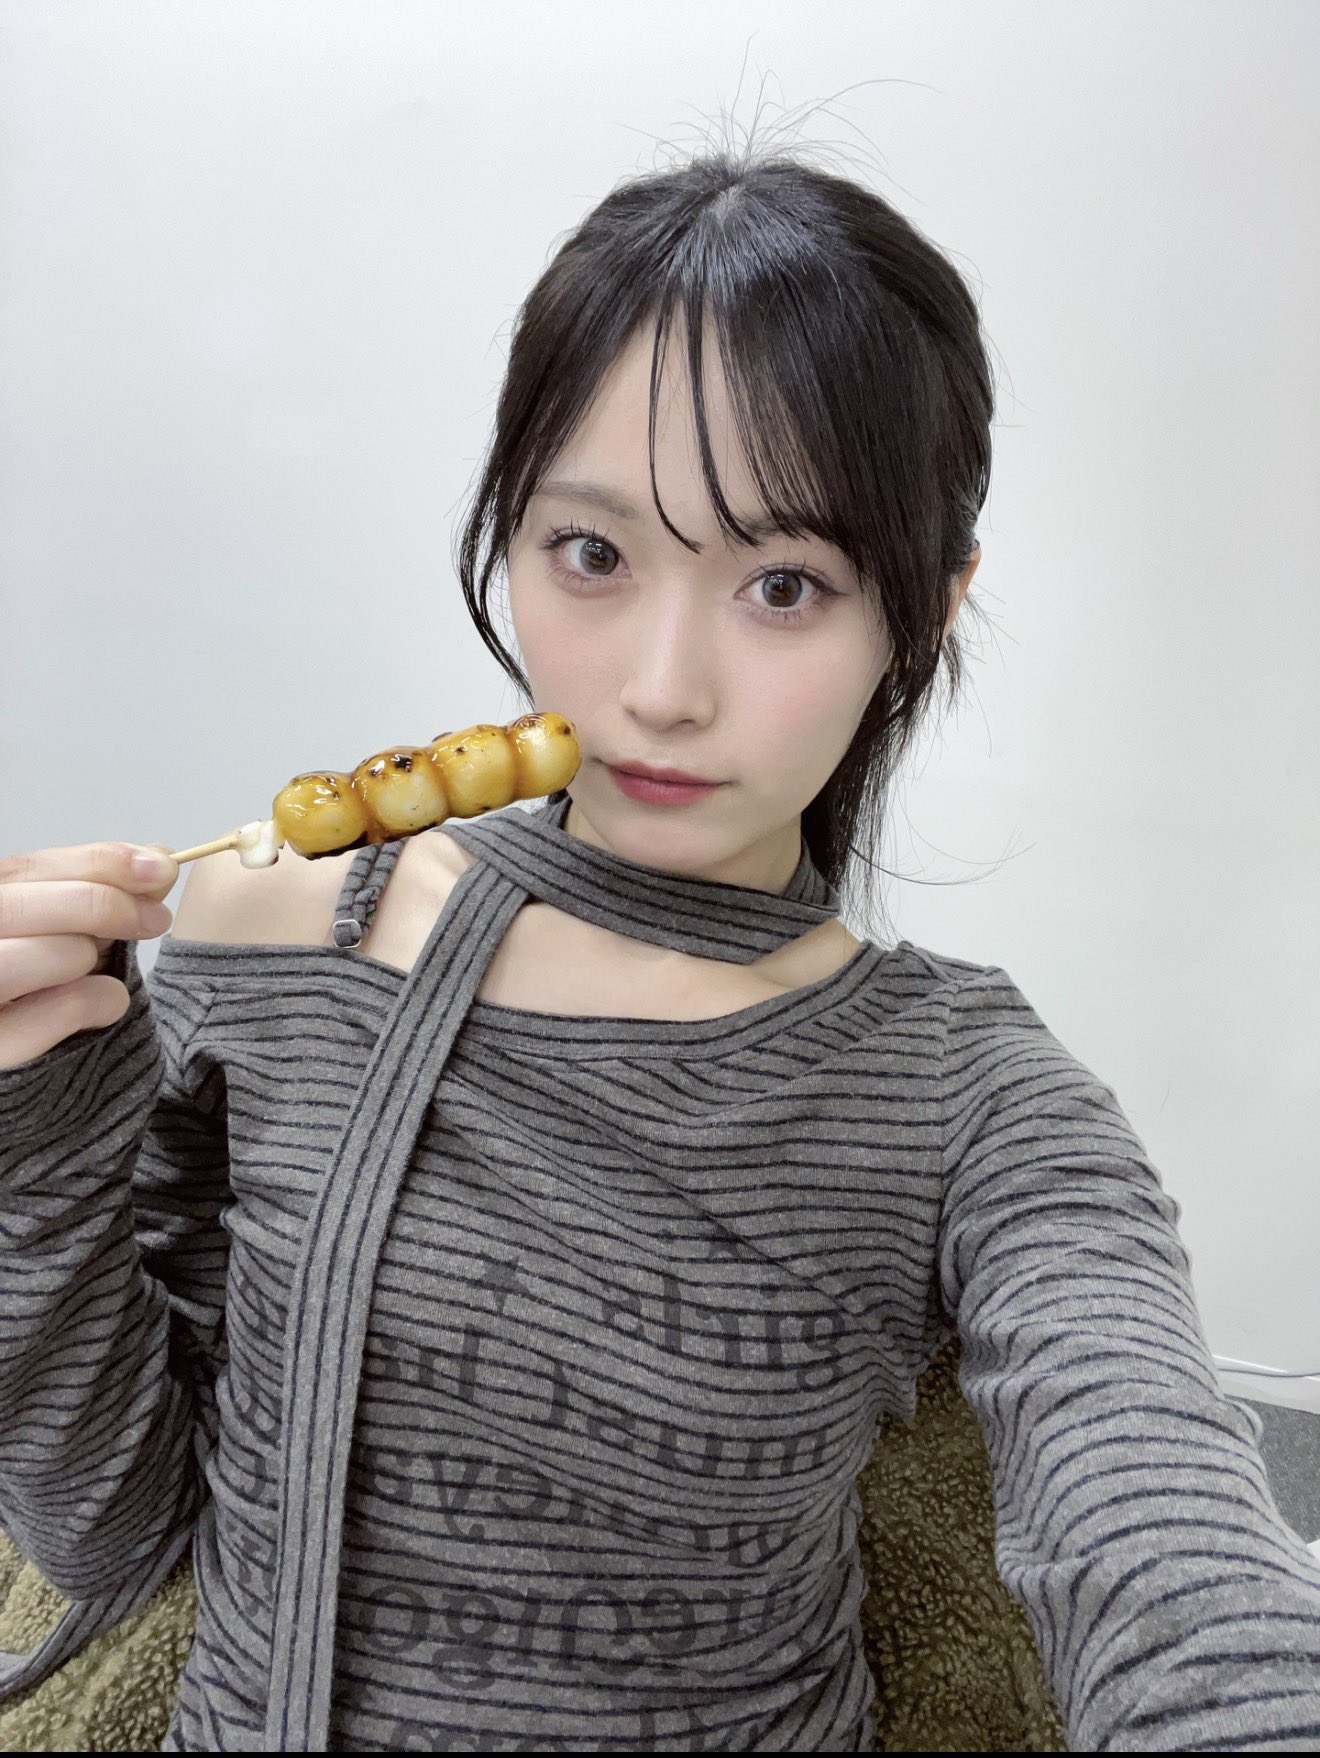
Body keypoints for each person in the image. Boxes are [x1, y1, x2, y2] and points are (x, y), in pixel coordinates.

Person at [2, 134, 1318, 1754]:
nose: (661, 690)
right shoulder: (280, 926)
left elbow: (1174, 1549)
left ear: (929, 604)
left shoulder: (965, 1088)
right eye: (594, 555)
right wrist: (40, 1113)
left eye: (786, 583)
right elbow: (118, 1530)